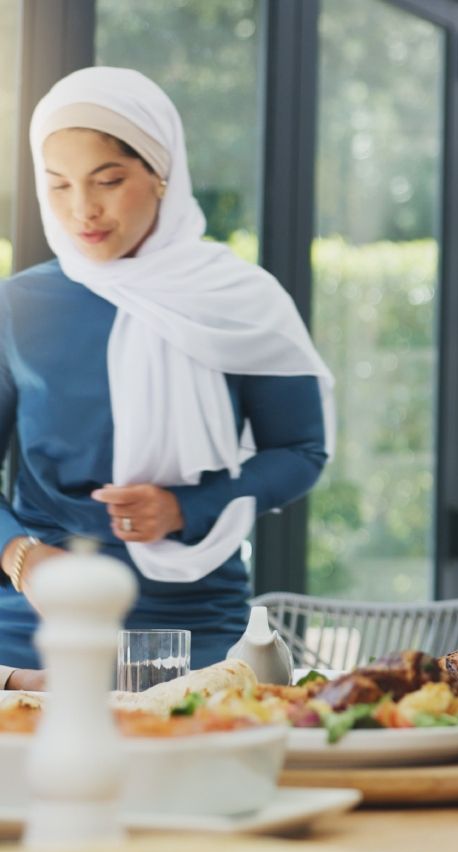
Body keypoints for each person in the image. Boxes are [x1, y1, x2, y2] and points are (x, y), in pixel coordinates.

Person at [0, 67, 334, 686]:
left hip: (194, 625)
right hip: (36, 629)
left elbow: (300, 449)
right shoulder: (17, 307)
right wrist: (21, 558)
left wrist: (185, 507)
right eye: (58, 186)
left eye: (108, 180)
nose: (83, 209)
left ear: (161, 175)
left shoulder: (239, 299)